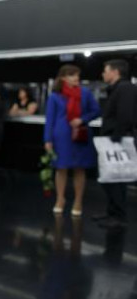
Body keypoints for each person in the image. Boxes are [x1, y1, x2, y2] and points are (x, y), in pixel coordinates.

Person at [44, 65, 100, 217]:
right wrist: (47, 139)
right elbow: (50, 119)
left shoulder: (85, 93)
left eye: (77, 75)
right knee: (60, 168)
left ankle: (78, 201)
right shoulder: (55, 96)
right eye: (72, 75)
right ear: (63, 78)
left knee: (79, 168)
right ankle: (60, 199)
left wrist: (82, 119)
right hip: (61, 136)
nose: (76, 78)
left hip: (80, 134)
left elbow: (96, 111)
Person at [94, 59, 136, 228]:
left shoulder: (125, 88)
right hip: (113, 139)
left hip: (117, 140)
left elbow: (126, 116)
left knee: (117, 180)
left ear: (115, 72)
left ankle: (119, 216)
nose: (103, 74)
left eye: (106, 70)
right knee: (110, 178)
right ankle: (112, 212)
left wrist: (116, 138)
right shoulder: (117, 88)